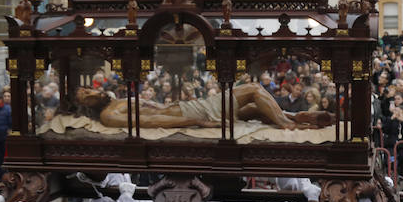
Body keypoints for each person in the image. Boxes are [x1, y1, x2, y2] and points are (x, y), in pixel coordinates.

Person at [76, 84, 333, 130]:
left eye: (87, 88)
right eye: (85, 94)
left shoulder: (114, 101)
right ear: (85, 106)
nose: (91, 92)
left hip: (189, 107)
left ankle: (295, 116)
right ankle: (287, 123)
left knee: (253, 111)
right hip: (193, 112)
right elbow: (155, 122)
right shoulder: (110, 115)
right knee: (254, 89)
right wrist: (198, 122)